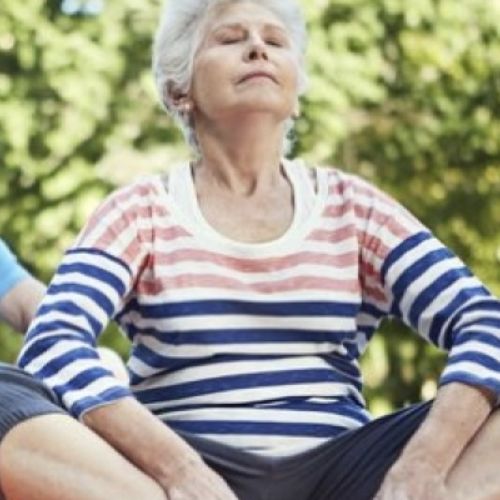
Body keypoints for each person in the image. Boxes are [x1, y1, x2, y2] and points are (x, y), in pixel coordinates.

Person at [6, 0, 500, 499]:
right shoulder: (138, 211)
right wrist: (180, 470)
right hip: (179, 476)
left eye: (275, 40)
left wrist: (423, 465)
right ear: (179, 91)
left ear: (297, 93)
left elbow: (485, 320)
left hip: (345, 476)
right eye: (230, 38)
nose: (257, 47)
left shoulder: (355, 209)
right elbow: (54, 342)